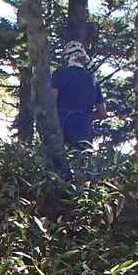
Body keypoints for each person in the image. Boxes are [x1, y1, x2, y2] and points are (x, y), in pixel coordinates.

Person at [50, 42, 104, 181]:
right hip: (84, 129)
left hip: (61, 126)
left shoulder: (60, 74)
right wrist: (86, 116)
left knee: (58, 170)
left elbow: (51, 103)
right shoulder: (93, 79)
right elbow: (102, 112)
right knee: (83, 168)